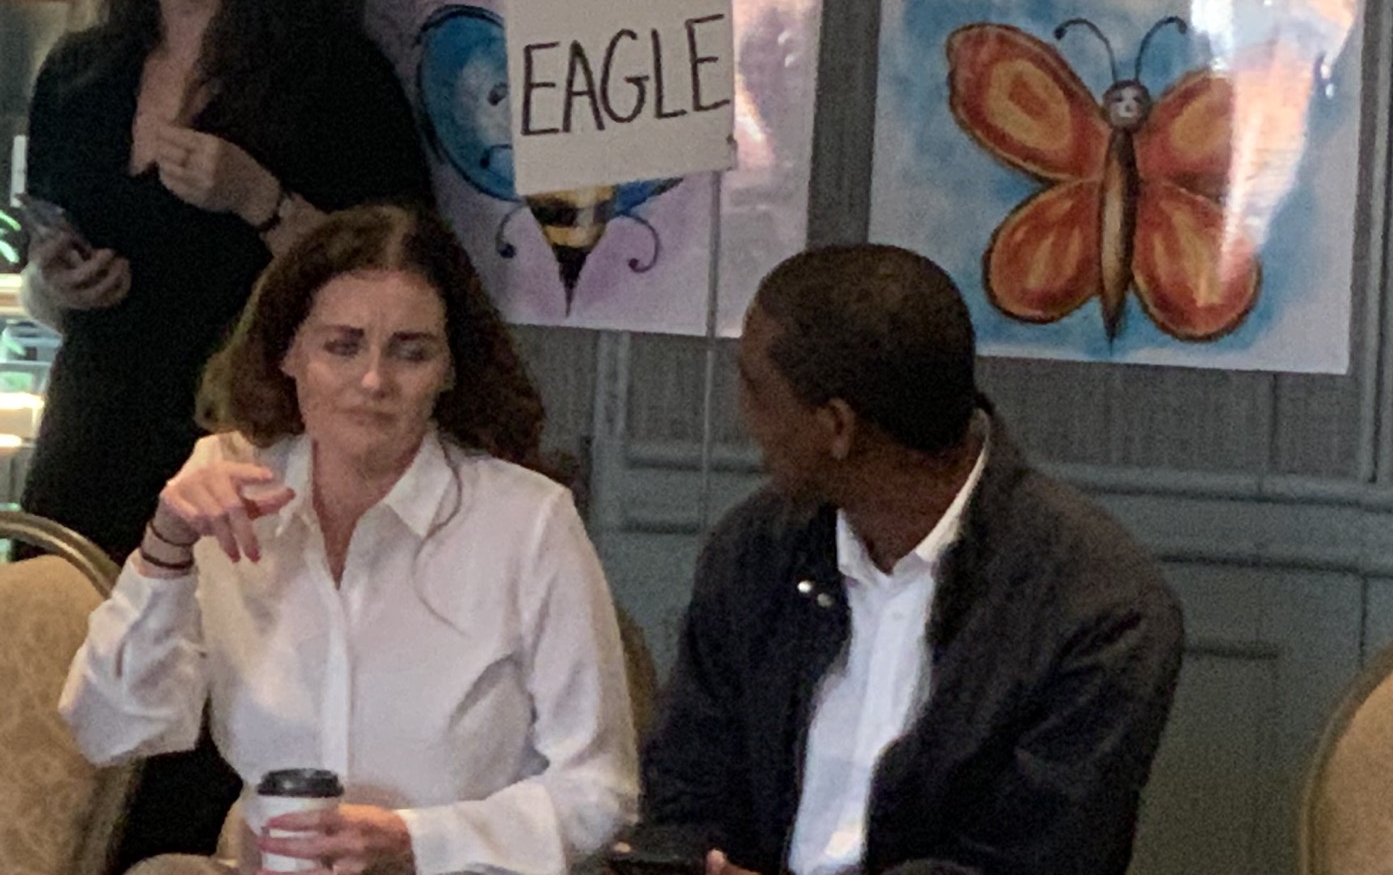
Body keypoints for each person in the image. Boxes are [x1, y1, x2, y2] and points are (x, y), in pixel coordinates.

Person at [60, 203, 637, 875]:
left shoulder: (528, 521)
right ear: (289, 353)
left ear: (449, 369)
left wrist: (418, 842)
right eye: (342, 345)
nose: (374, 381)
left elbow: (600, 791)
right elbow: (112, 730)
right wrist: (164, 552)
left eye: (410, 352)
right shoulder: (226, 485)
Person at [640, 245, 1186, 875]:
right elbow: (683, 791)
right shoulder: (753, 553)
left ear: (837, 427)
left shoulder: (1101, 611)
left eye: (757, 391)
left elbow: (1032, 860)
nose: (746, 421)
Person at [21, 0, 431, 565]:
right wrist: (56, 285)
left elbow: (404, 289)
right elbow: (45, 287)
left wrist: (261, 201)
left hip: (256, 472)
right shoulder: (80, 77)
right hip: (88, 459)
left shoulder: (333, 80)